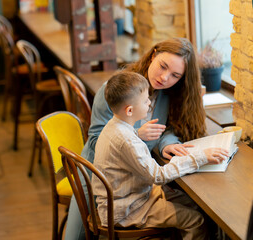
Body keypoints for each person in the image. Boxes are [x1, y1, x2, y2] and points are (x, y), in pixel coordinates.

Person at [65, 38, 208, 240]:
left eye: (175, 75)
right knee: (76, 236)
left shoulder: (166, 94)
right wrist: (136, 135)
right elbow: (98, 140)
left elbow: (166, 128)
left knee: (189, 209)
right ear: (153, 56)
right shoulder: (113, 91)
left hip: (135, 177)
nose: (165, 78)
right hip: (96, 173)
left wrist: (167, 144)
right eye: (163, 66)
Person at [92, 71, 228, 239]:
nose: (150, 103)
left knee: (192, 203)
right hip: (128, 209)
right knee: (196, 220)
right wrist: (200, 157)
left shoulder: (115, 127)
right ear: (129, 110)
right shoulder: (127, 140)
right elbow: (158, 175)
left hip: (129, 197)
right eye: (145, 100)